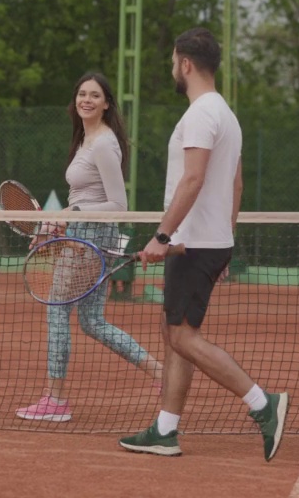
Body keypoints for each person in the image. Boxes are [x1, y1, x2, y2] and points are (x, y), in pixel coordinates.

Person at [117, 27, 289, 460]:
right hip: (206, 242)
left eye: (174, 61)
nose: (173, 68)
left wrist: (161, 237)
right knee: (175, 332)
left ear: (186, 64)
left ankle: (262, 404)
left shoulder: (199, 114)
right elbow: (236, 182)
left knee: (180, 335)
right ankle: (165, 429)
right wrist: (224, 237)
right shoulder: (226, 114)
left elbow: (193, 179)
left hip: (192, 243)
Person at [16, 72, 163, 422]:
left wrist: (71, 215)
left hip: (92, 237)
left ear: (106, 103)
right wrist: (56, 224)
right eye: (82, 93)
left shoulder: (103, 143)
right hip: (85, 234)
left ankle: (55, 400)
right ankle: (160, 372)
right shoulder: (87, 139)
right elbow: (81, 199)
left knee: (57, 310)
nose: (87, 100)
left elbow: (119, 205)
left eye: (95, 95)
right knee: (93, 321)